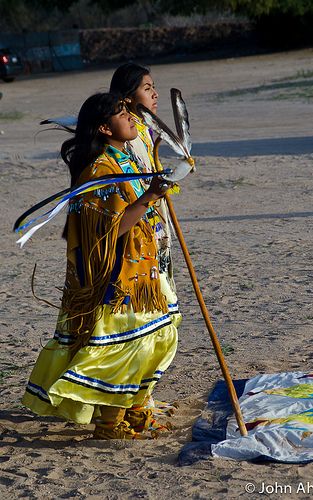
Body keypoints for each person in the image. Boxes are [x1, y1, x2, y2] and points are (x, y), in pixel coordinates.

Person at [22, 92, 178, 440]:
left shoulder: (128, 160)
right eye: (123, 113)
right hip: (117, 279)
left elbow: (141, 206)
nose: (132, 118)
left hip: (146, 271)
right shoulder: (99, 171)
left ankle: (137, 411)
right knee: (126, 347)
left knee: (157, 339)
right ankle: (110, 422)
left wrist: (157, 191)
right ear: (105, 128)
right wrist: (149, 197)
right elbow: (110, 229)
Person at [110, 63, 181, 327]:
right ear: (128, 97)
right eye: (147, 88)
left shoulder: (143, 130)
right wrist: (152, 192)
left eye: (154, 88)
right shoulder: (122, 136)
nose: (155, 95)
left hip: (154, 225)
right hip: (135, 233)